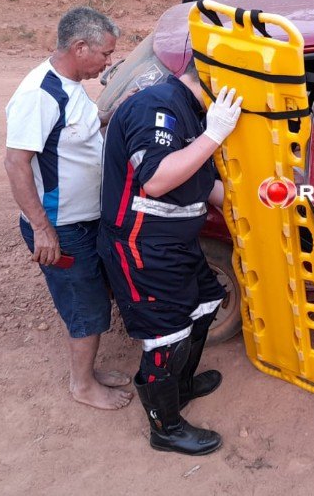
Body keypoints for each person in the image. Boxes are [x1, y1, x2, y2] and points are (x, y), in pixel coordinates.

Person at [96, 59, 242, 455]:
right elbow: (158, 179)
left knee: (207, 302)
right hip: (143, 248)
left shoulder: (188, 109)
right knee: (165, 338)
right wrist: (214, 135)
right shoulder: (157, 106)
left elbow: (199, 178)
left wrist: (253, 204)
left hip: (173, 243)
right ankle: (165, 427)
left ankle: (181, 385)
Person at [4, 6, 132, 410]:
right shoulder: (38, 95)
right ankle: (82, 385)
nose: (108, 62)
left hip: (86, 219)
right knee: (85, 304)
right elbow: (16, 162)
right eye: (105, 54)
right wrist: (43, 228)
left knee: (95, 292)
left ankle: (90, 371)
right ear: (80, 48)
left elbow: (85, 127)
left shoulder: (72, 83)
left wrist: (124, 112)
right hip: (62, 226)